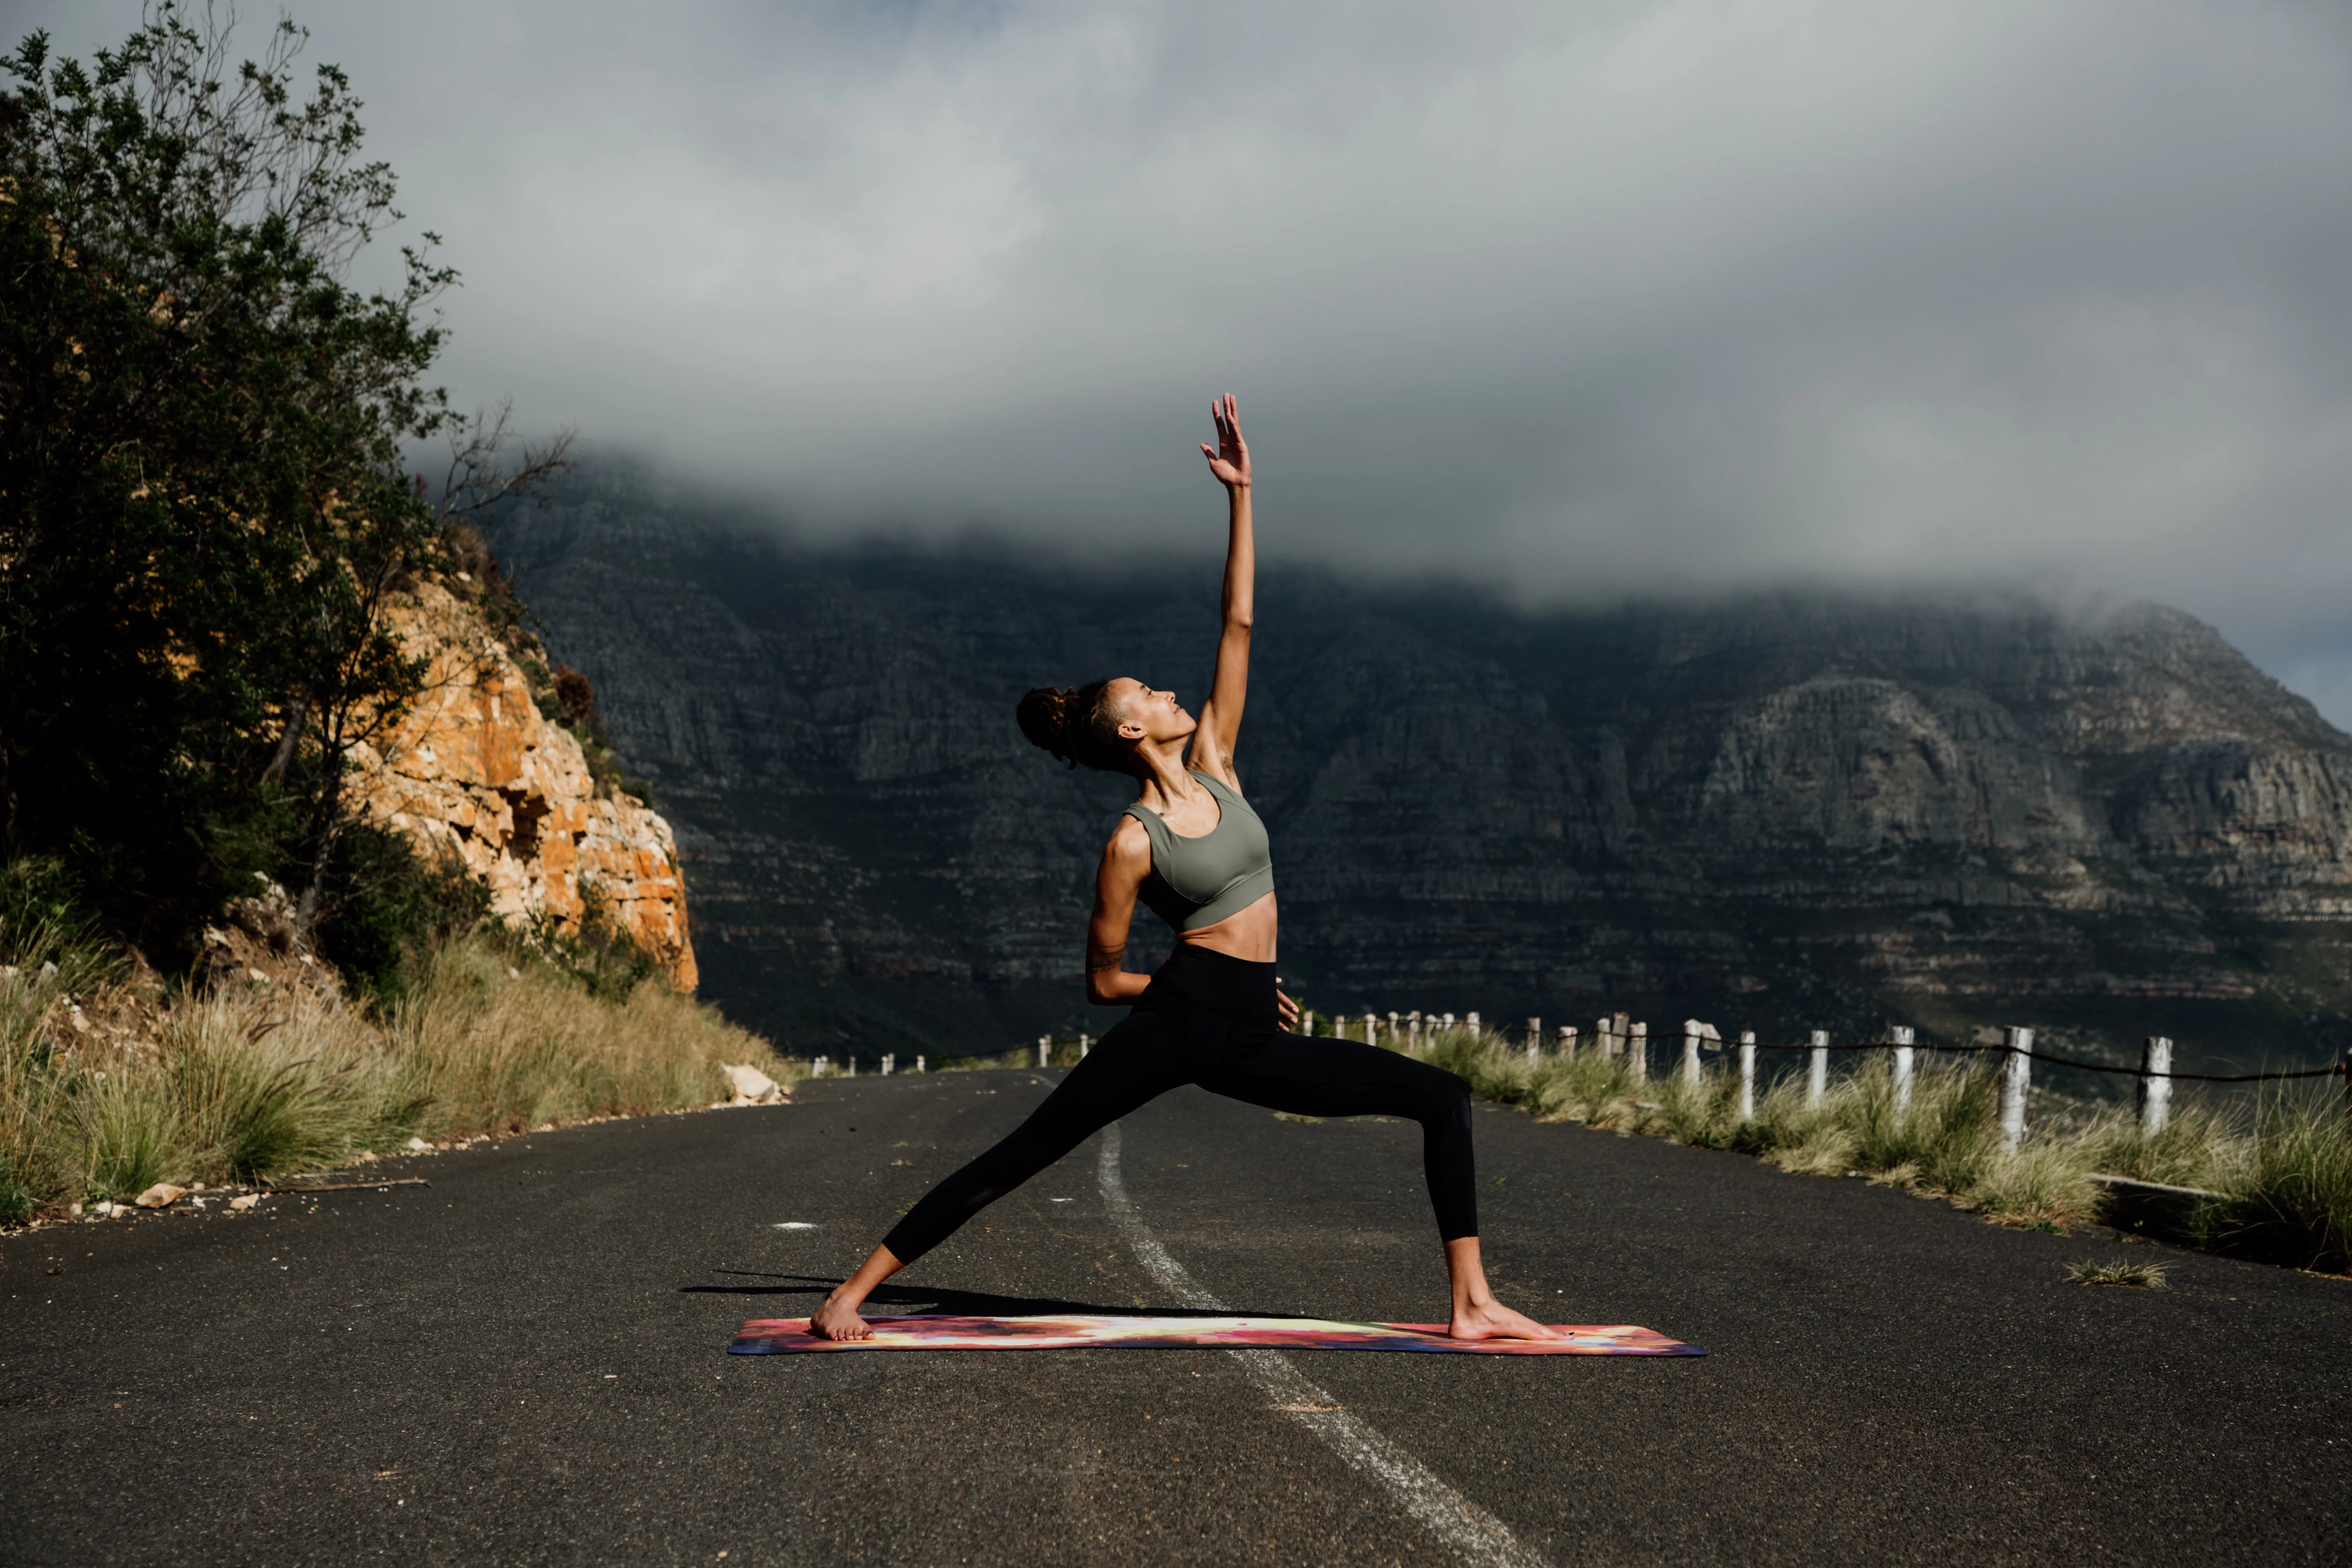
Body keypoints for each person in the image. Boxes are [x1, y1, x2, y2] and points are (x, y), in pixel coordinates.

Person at [807, 395, 1559, 1342]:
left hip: (1251, 1025)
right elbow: (1100, 977)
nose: (1169, 691)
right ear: (1131, 729)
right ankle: (851, 1293)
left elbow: (1238, 622)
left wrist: (1243, 496)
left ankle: (1472, 1303)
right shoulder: (1130, 841)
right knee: (1030, 1148)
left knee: (1440, 1097)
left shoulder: (1219, 761)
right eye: (1149, 693)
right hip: (1180, 1018)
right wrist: (1179, 985)